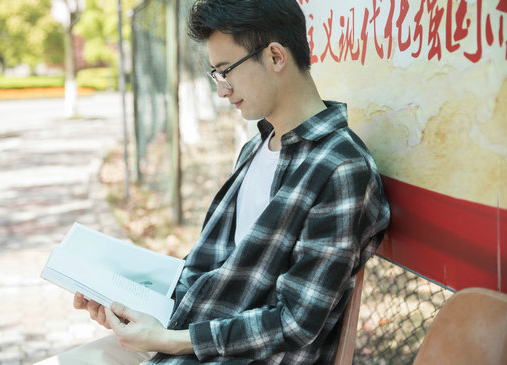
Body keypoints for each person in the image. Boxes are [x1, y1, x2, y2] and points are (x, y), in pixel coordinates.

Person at [70, 0, 390, 363]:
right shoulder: (257, 147)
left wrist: (169, 338)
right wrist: (125, 302)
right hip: (190, 336)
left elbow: (294, 322)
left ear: (275, 57)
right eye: (215, 75)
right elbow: (214, 270)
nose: (222, 90)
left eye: (227, 72)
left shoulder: (341, 168)